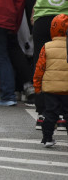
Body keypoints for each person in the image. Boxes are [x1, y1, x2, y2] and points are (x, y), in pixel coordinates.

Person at [34, 15, 68, 148]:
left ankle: (47, 137)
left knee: (50, 113)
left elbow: (40, 68)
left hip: (51, 88)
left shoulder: (47, 47)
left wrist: (37, 86)